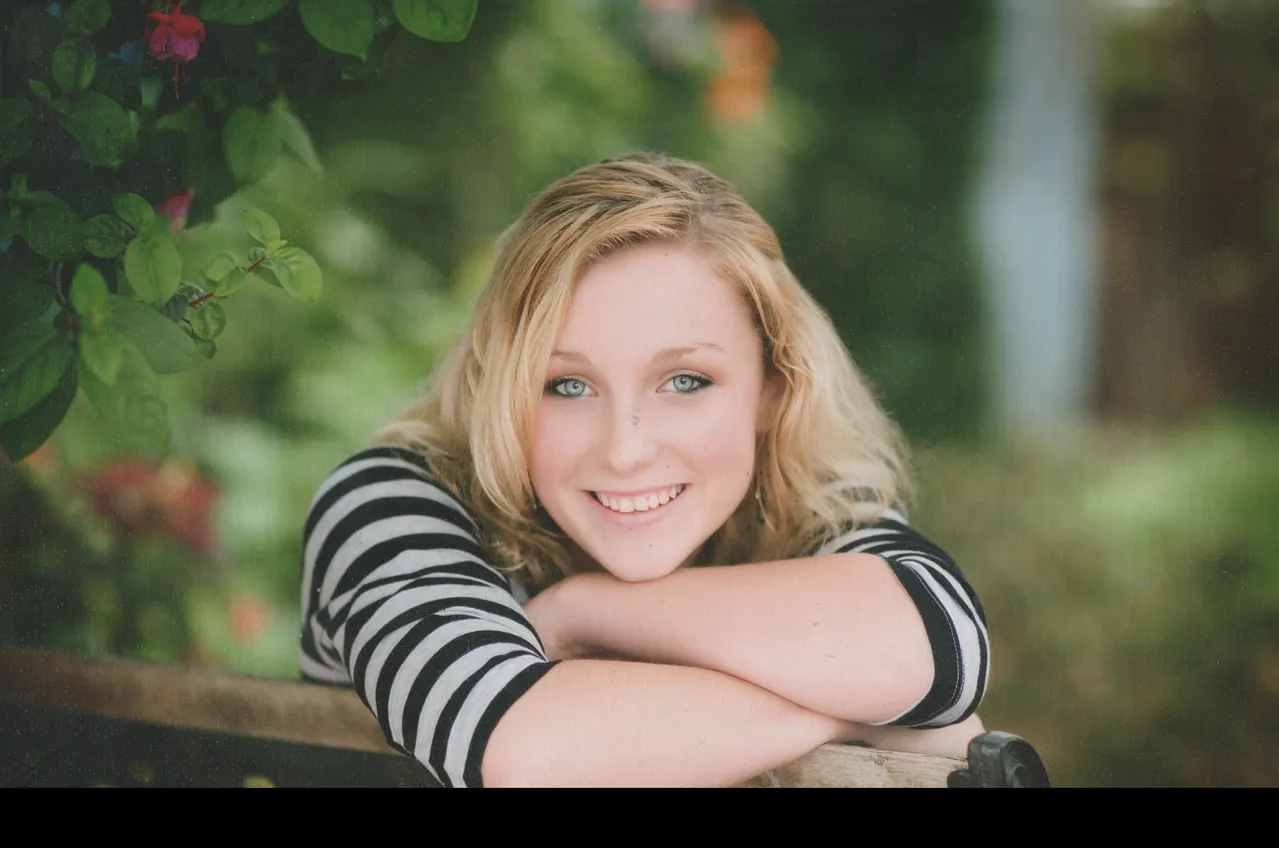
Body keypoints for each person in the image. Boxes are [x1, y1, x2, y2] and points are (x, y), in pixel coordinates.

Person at [299, 153, 989, 788]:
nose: (625, 451)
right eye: (567, 386)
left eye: (685, 381)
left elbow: (932, 644)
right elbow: (521, 749)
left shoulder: (805, 507)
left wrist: (583, 611)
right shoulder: (390, 504)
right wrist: (851, 711)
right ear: (502, 386)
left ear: (774, 387)